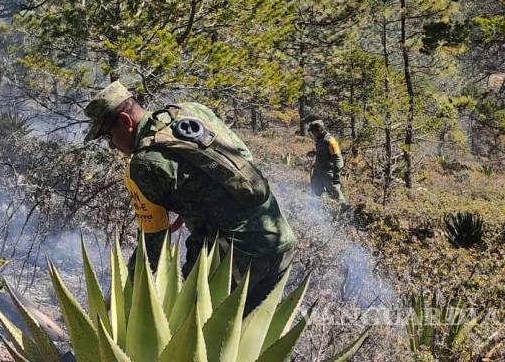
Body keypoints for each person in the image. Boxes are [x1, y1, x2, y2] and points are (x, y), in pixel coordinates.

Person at [85, 81, 297, 315]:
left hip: (233, 262)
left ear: (125, 121)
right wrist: (193, 202)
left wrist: (120, 299)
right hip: (280, 241)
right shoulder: (190, 110)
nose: (111, 146)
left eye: (108, 136)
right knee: (246, 335)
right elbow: (243, 156)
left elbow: (151, 247)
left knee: (189, 331)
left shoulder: (143, 164)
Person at [306, 119, 345, 203]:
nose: (312, 134)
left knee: (334, 192)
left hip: (328, 172)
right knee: (315, 189)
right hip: (318, 171)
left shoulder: (330, 141)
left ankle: (343, 210)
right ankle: (320, 207)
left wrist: (336, 174)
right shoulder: (319, 140)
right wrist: (314, 153)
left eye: (313, 132)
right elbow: (324, 152)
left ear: (319, 130)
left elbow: (338, 159)